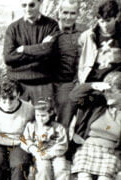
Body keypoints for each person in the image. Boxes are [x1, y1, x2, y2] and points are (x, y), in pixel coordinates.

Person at [69, 73, 121, 180]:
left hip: (111, 150)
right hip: (89, 145)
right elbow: (73, 96)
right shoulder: (97, 102)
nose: (107, 95)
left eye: (112, 91)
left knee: (106, 174)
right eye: (106, 91)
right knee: (84, 171)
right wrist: (92, 86)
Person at [3, 0, 59, 103]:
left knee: (43, 117)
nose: (27, 9)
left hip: (42, 84)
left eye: (32, 5)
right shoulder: (13, 28)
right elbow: (9, 57)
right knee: (19, 117)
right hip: (18, 84)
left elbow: (49, 51)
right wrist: (40, 50)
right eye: (24, 5)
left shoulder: (51, 26)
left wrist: (24, 49)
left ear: (40, 3)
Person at [20, 98, 69, 180]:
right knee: (42, 169)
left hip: (55, 154)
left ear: (50, 113)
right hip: (39, 154)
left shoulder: (58, 127)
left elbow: (62, 144)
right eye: (37, 115)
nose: (40, 119)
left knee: (61, 168)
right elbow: (25, 140)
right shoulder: (31, 126)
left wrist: (50, 153)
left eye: (43, 116)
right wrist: (34, 150)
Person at [52, 0, 83, 129]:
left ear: (77, 14)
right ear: (59, 12)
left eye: (72, 13)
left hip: (67, 83)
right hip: (45, 83)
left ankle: (61, 146)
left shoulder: (83, 33)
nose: (68, 17)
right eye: (65, 12)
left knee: (62, 122)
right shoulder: (49, 29)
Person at [76, 0, 121, 85]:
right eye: (102, 21)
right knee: (74, 95)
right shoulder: (88, 36)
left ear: (116, 17)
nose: (105, 25)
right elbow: (78, 61)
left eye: (108, 21)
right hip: (93, 82)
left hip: (116, 84)